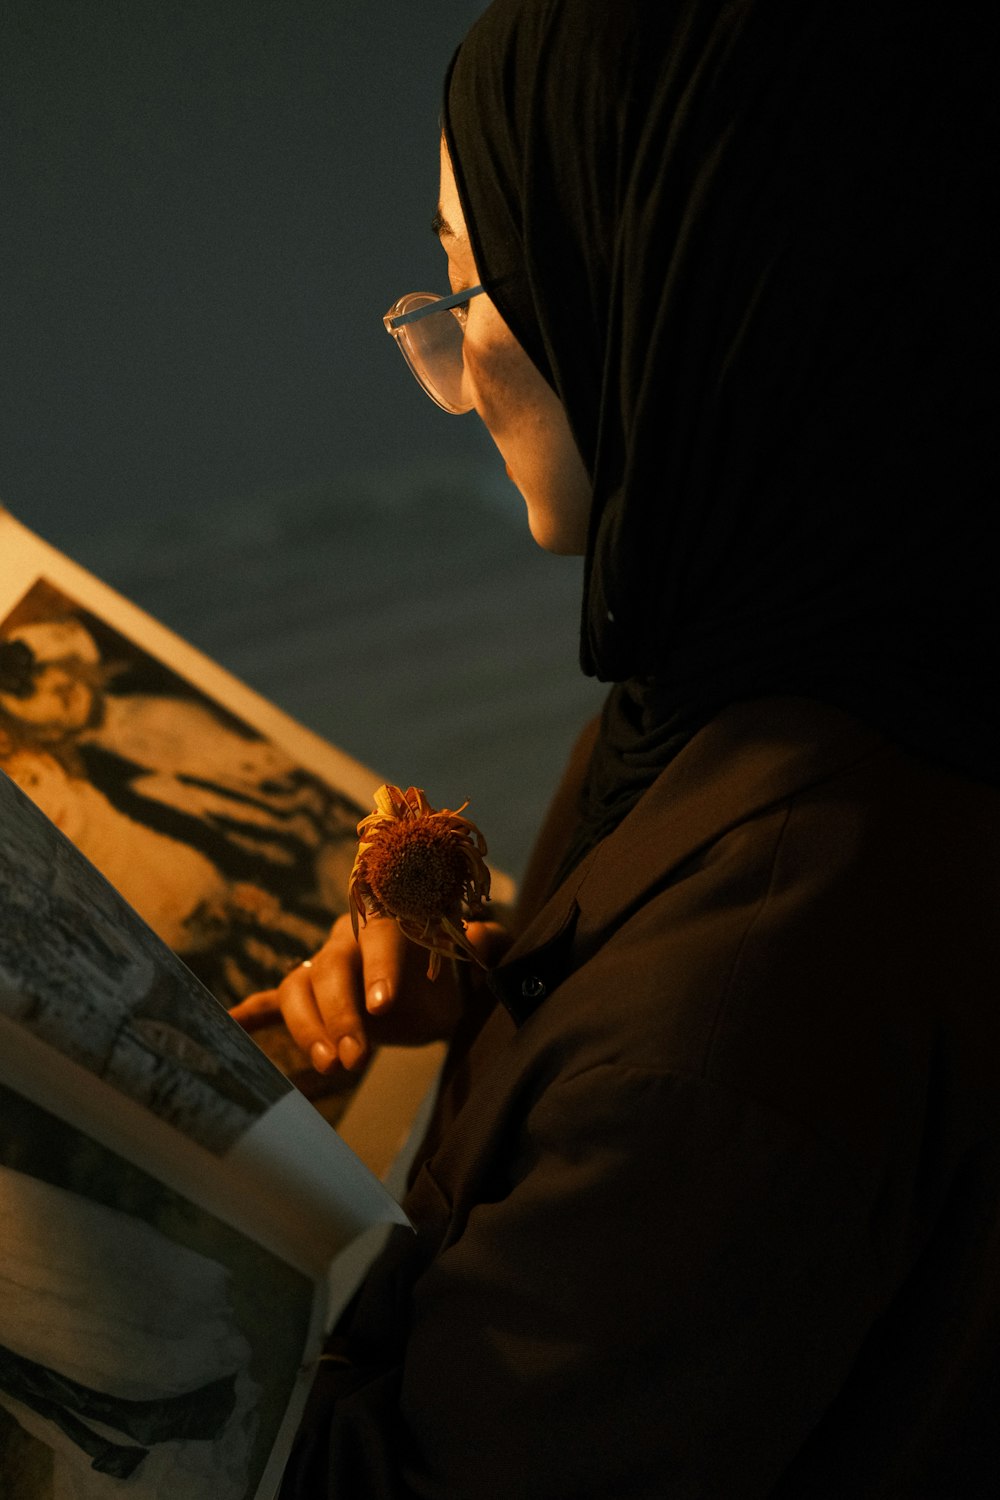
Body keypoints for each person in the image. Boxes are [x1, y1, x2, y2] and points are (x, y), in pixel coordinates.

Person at [235, 1, 1000, 1493]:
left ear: (668, 286)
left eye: (473, 282)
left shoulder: (735, 1016)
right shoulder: (764, 673)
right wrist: (498, 1020)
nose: (453, 364)